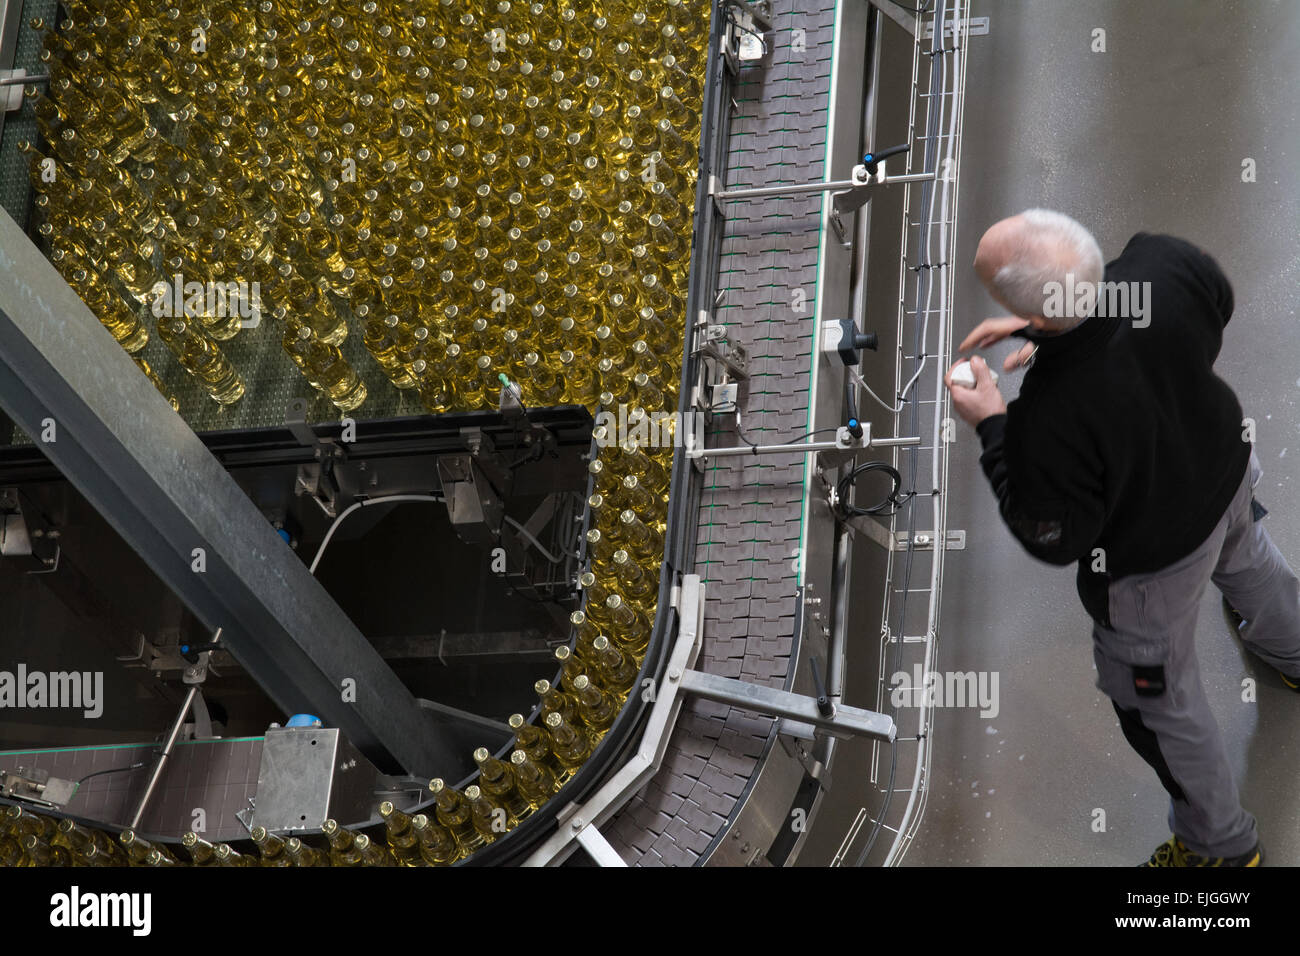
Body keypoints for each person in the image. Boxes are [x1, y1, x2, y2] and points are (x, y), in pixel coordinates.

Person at [945, 207, 1300, 867]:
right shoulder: (1159, 266)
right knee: (1250, 560)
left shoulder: (1045, 416)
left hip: (1156, 559)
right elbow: (1209, 306)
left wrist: (993, 423)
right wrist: (1053, 333)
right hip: (1224, 469)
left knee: (1162, 701)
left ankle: (1220, 849)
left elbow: (1052, 533)